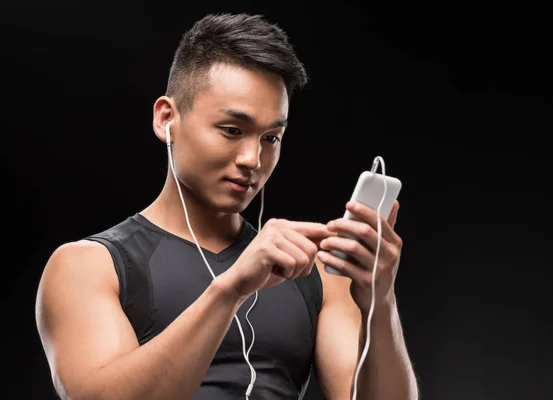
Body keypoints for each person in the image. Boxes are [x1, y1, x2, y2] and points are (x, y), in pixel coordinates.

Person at [35, 12, 419, 400]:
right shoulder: (88, 265)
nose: (253, 158)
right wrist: (231, 289)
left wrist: (380, 303)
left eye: (271, 138)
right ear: (166, 119)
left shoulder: (314, 273)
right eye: (232, 130)